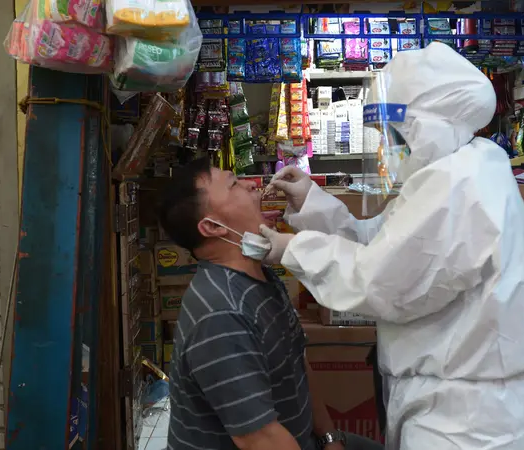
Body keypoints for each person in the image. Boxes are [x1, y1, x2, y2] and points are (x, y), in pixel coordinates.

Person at [258, 42, 524, 450]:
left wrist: (290, 251)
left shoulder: (457, 184)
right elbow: (381, 245)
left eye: (393, 130)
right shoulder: (462, 167)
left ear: (422, 123)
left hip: (471, 420)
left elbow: (380, 281)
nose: (388, 144)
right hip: (458, 403)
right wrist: (310, 202)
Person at [155, 158, 384, 450]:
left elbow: (297, 365)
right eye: (234, 184)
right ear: (212, 226)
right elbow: (261, 440)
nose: (253, 184)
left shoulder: (259, 276)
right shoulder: (221, 314)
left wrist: (330, 438)